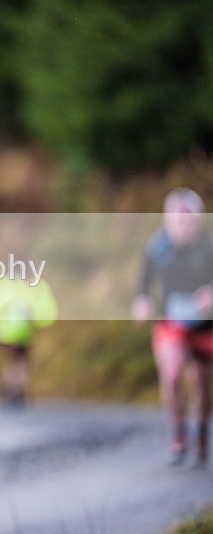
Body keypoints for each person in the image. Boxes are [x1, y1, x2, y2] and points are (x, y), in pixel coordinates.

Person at [132, 187, 213, 468]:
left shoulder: (209, 247)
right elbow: (143, 283)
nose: (182, 227)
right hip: (172, 322)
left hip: (204, 325)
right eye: (177, 221)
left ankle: (201, 435)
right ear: (167, 221)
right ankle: (178, 434)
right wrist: (141, 302)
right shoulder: (157, 246)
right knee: (172, 372)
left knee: (202, 384)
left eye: (188, 221)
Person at [0, 277, 58, 408]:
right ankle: (16, 389)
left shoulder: (2, 284)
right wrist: (37, 323)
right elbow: (47, 311)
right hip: (24, 330)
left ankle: (10, 388)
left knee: (11, 360)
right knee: (19, 360)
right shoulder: (36, 286)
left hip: (3, 330)